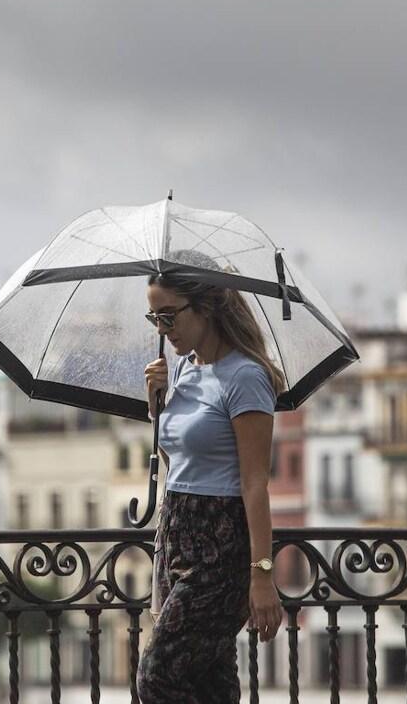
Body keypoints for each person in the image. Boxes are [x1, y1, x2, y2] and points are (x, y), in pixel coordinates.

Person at [136, 261, 286, 704]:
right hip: (176, 532)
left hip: (219, 545)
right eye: (154, 319)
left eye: (169, 316)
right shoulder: (181, 371)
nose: (164, 330)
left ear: (205, 307)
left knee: (157, 678)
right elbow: (179, 459)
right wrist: (155, 406)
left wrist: (261, 575)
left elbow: (256, 483)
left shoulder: (246, 377)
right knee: (210, 684)